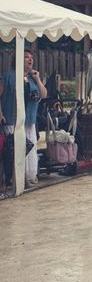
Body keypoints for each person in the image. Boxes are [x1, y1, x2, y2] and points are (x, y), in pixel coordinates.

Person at [0, 49, 47, 188]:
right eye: (26, 57)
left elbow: (44, 95)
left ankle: (29, 176)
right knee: (14, 149)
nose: (30, 59)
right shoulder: (8, 76)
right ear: (18, 60)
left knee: (29, 149)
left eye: (31, 57)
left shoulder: (33, 79)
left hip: (29, 121)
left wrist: (38, 78)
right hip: (12, 119)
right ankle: (14, 178)